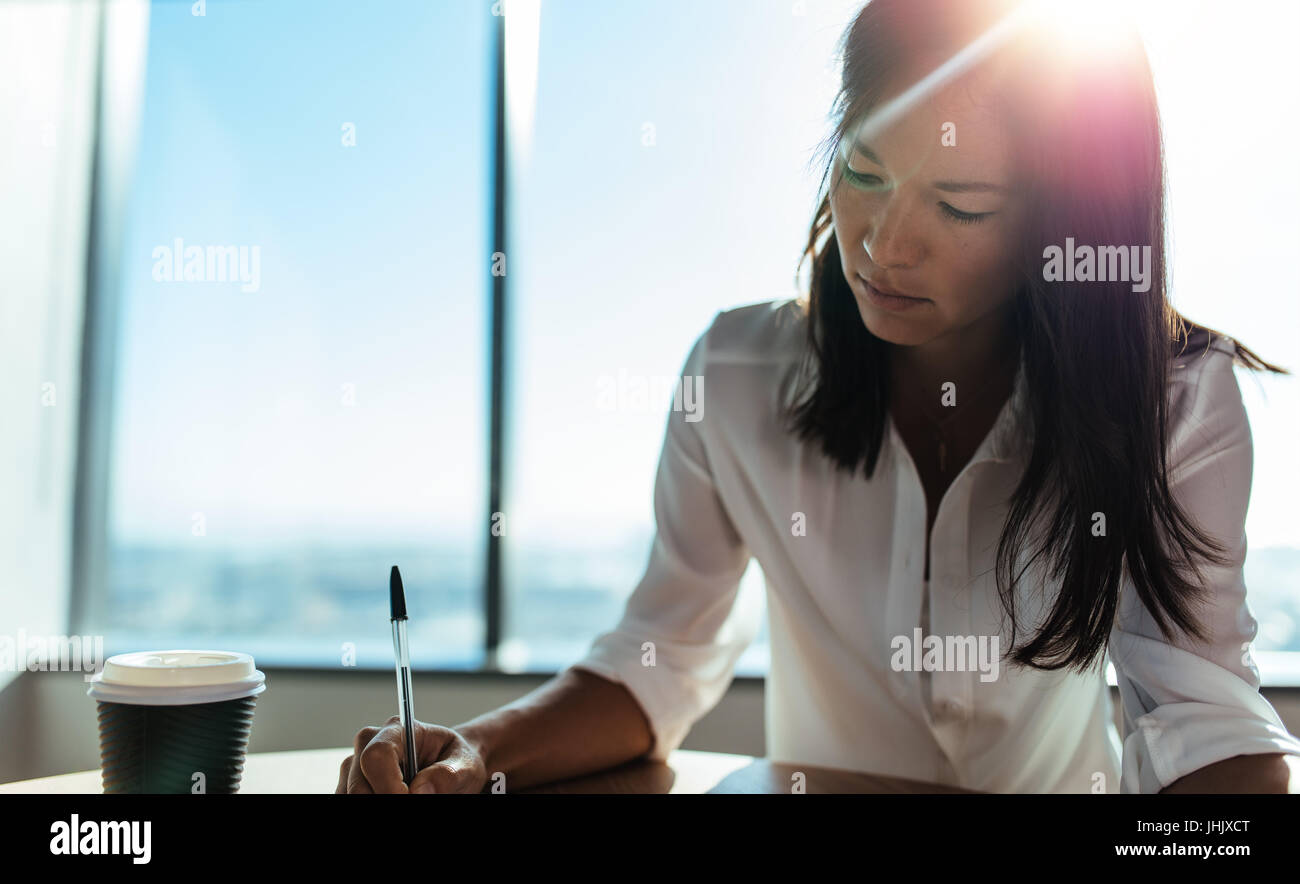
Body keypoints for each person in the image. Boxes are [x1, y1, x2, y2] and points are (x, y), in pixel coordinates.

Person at [338, 0, 1300, 794]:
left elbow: (1202, 718)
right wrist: (480, 752)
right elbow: (659, 657)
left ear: (1065, 217)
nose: (882, 244)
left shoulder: (1172, 399)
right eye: (863, 170)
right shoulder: (734, 374)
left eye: (959, 204)